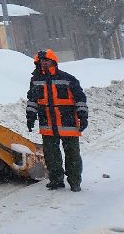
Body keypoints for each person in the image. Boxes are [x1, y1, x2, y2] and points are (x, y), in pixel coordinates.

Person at [25, 49, 89, 191]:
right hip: (47, 124)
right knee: (51, 155)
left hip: (68, 123)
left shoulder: (68, 78)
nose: (44, 63)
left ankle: (74, 181)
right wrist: (30, 117)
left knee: (72, 155)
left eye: (47, 61)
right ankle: (56, 180)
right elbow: (32, 101)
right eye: (42, 61)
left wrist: (83, 116)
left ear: (53, 61)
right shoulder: (36, 80)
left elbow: (80, 99)